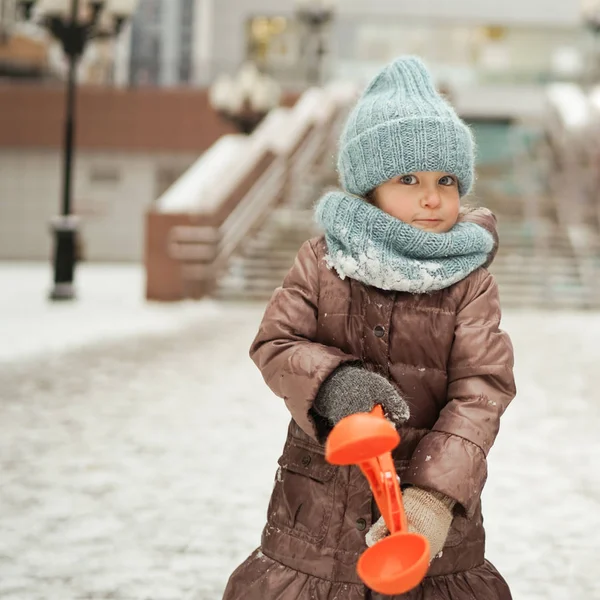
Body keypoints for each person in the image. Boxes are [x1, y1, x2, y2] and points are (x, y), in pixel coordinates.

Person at [222, 55, 516, 600]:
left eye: (446, 180)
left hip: (432, 527)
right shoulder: (322, 262)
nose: (432, 196)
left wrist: (433, 499)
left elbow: (482, 390)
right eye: (409, 178)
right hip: (316, 524)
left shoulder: (469, 280)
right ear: (369, 187)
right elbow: (275, 342)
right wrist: (333, 382)